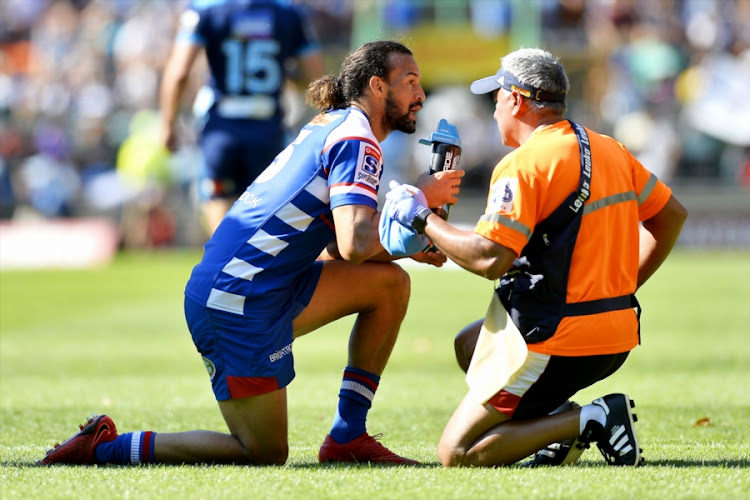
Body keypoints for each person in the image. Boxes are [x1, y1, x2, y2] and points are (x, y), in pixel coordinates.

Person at [38, 40, 464, 467]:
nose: (420, 95)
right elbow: (354, 245)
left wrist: (412, 245)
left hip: (263, 287)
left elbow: (338, 243)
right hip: (235, 301)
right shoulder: (357, 140)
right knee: (262, 452)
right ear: (377, 86)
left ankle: (347, 436)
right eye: (410, 83)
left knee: (389, 284)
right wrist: (419, 202)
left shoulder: (336, 125)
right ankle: (103, 447)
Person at [380, 48, 687, 467]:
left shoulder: (522, 165)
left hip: (555, 339)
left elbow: (491, 260)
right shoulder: (607, 147)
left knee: (457, 453)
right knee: (470, 346)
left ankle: (590, 419)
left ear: (517, 100)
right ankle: (556, 429)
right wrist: (623, 286)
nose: (493, 112)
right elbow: (671, 216)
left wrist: (420, 217)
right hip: (616, 335)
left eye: (495, 100)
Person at [160, 0, 325, 236]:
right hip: (268, 127)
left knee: (220, 212)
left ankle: (223, 268)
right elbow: (316, 77)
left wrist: (168, 123)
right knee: (265, 219)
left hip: (221, 127)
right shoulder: (288, 12)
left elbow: (179, 73)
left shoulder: (207, 9)